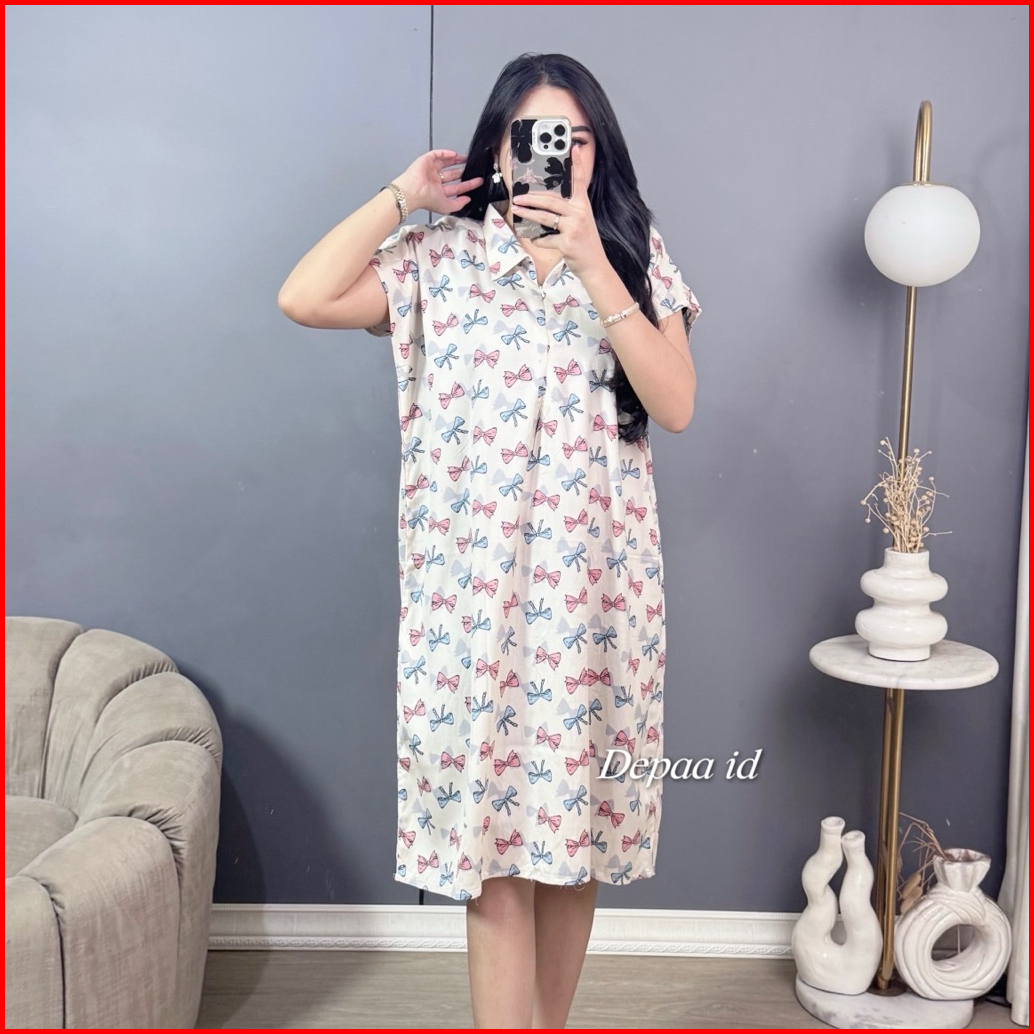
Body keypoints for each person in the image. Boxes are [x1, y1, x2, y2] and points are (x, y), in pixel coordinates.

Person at [279, 52, 700, 1029]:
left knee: (574, 846)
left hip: (597, 605)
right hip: (471, 609)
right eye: (532, 137)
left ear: (597, 152)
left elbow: (676, 404)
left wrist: (594, 263)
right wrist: (402, 196)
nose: (554, 154)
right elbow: (304, 296)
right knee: (494, 855)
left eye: (573, 138)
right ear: (499, 151)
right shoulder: (439, 261)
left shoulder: (636, 256)